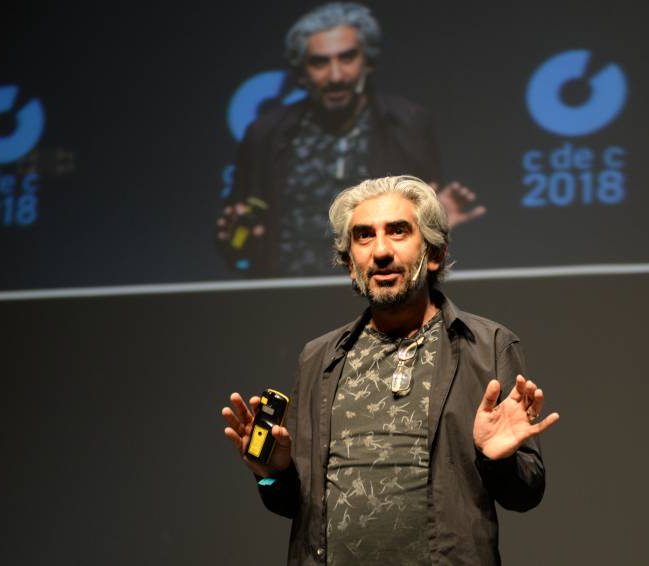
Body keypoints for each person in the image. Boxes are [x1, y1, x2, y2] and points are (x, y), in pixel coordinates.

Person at [222, 176, 559, 565]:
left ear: (434, 253)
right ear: (350, 264)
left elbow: (525, 494)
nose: (380, 251)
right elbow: (290, 505)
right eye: (364, 237)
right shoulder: (319, 358)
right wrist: (271, 472)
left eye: (398, 231)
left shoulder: (487, 346)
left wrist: (497, 460)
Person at [216, 2, 485, 276]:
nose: (335, 76)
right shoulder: (265, 135)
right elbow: (238, 239)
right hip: (286, 297)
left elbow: (422, 232)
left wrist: (436, 225)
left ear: (367, 61)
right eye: (320, 62)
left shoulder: (406, 124)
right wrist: (241, 239)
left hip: (381, 294)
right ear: (300, 72)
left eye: (347, 58)